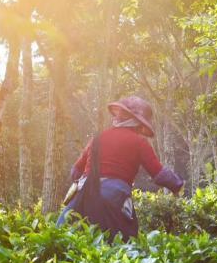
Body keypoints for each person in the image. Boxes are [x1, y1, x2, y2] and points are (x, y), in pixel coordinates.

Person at [57, 96, 184, 239]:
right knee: (125, 242)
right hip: (115, 194)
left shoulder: (98, 138)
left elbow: (76, 171)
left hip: (84, 192)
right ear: (138, 123)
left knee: (62, 233)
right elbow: (159, 174)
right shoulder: (139, 142)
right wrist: (178, 184)